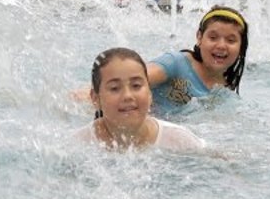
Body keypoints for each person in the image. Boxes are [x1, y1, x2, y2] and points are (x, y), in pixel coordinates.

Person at [73, 47, 206, 152]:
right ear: (95, 99)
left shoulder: (179, 141)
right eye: (114, 88)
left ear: (149, 93)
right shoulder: (78, 144)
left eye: (136, 86)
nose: (127, 95)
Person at [147, 5, 249, 116]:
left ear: (241, 48)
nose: (221, 45)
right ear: (199, 38)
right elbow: (133, 79)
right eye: (213, 38)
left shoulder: (224, 93)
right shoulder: (176, 63)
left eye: (230, 40)